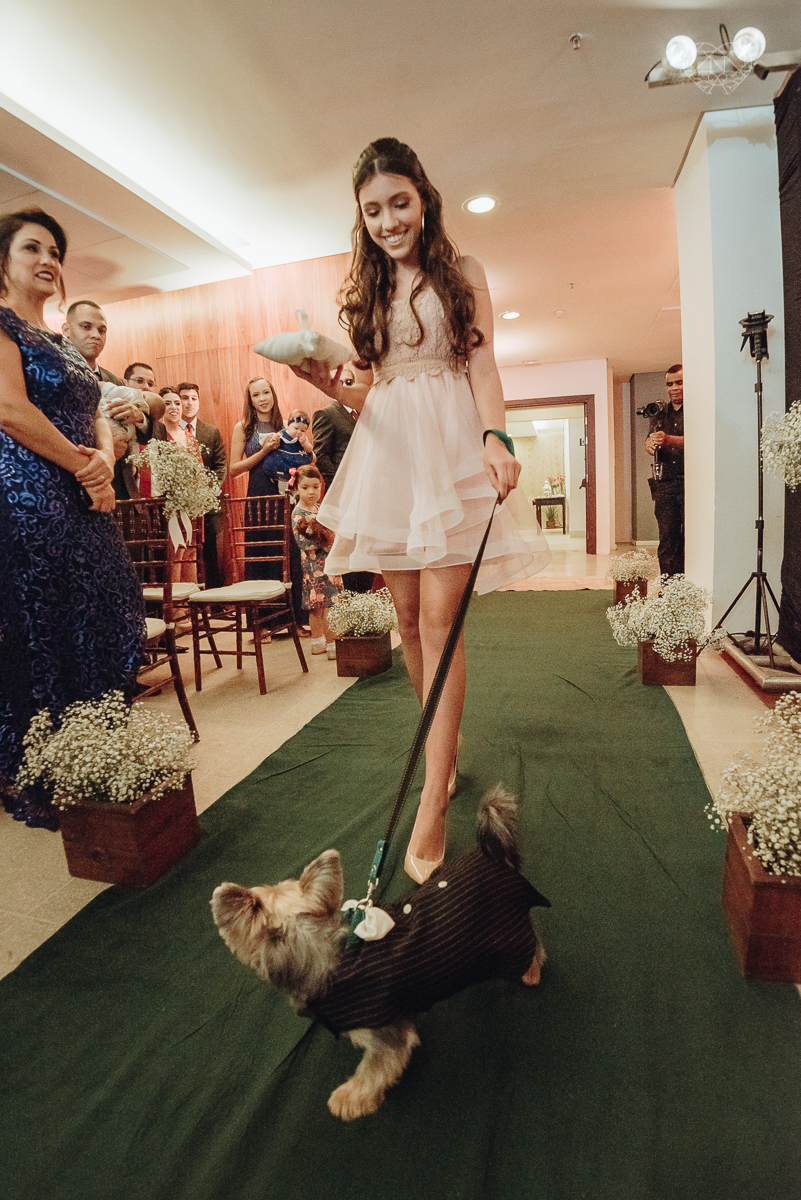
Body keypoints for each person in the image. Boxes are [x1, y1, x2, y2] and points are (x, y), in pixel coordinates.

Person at [292, 138, 548, 883]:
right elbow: (367, 394)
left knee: (440, 624)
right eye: (372, 210)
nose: (387, 220)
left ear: (423, 198)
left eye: (398, 202)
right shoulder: (367, 286)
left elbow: (484, 363)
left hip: (448, 453)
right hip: (390, 459)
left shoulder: (462, 273)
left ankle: (434, 793)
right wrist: (324, 384)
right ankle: (447, 743)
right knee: (405, 624)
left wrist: (495, 436)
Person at [0, 209, 145, 828]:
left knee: (110, 609)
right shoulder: (3, 324)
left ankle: (95, 749)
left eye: (54, 250)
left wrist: (105, 463)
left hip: (83, 491)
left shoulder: (61, 343)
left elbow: (97, 415)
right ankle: (44, 767)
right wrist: (82, 468)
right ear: (3, 262)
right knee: (49, 624)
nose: (47, 259)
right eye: (32, 247)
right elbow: (8, 408)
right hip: (31, 493)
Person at [154, 381, 227, 586]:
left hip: (199, 505)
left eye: (191, 399)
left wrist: (205, 494)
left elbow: (217, 467)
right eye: (173, 402)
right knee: (176, 554)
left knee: (195, 554)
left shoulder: (202, 434)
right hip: (171, 505)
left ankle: (195, 605)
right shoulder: (157, 433)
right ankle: (177, 608)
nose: (179, 406)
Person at [292, 465, 344, 658]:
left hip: (329, 561)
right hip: (315, 565)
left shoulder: (319, 508)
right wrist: (327, 541)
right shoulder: (298, 514)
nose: (311, 492)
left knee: (330, 603)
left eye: (315, 487)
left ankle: (327, 641)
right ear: (297, 487)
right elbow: (303, 542)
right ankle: (325, 643)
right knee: (319, 604)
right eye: (305, 487)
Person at [645, 363, 684, 577]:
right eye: (670, 384)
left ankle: (688, 589)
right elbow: (648, 441)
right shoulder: (659, 413)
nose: (674, 388)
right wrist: (649, 445)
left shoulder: (697, 410)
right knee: (667, 540)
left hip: (690, 483)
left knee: (690, 539)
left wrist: (668, 440)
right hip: (664, 484)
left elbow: (700, 442)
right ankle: (668, 591)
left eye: (679, 382)